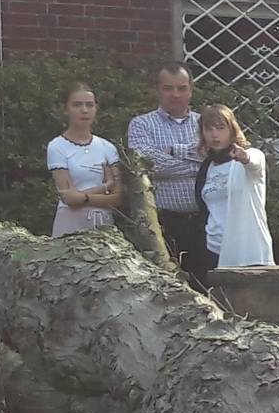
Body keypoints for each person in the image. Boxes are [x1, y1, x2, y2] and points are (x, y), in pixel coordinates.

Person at [127, 64, 210, 279]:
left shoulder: (207, 123)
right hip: (165, 223)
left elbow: (215, 157)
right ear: (157, 90)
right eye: (168, 88)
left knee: (207, 285)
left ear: (191, 90)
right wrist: (198, 167)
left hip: (206, 222)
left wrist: (174, 151)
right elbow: (148, 163)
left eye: (182, 88)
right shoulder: (141, 125)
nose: (175, 94)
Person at [196, 103, 274, 271]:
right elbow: (204, 205)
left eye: (221, 128)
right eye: (209, 129)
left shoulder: (251, 156)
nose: (214, 134)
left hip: (247, 251)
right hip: (214, 248)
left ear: (232, 129)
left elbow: (255, 164)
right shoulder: (206, 166)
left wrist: (244, 157)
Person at [45, 82, 124, 238]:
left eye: (89, 105)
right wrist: (105, 187)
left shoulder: (107, 148)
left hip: (103, 225)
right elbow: (69, 198)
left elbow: (117, 198)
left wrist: (84, 197)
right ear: (66, 109)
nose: (84, 110)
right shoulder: (57, 146)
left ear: (96, 108)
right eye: (77, 105)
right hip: (70, 224)